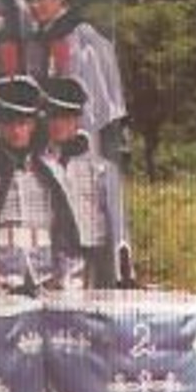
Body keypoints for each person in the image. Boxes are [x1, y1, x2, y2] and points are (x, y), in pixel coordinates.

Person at [0, 75, 84, 294]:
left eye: (22, 123)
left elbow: (63, 228)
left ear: (33, 125)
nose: (16, 131)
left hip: (45, 272)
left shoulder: (51, 171)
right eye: (8, 123)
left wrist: (67, 272)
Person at [16, 0, 128, 164]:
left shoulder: (82, 40)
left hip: (83, 147)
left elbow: (95, 108)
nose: (34, 4)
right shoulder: (35, 41)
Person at [42, 76, 133, 289]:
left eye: (65, 117)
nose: (58, 123)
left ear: (77, 119)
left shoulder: (101, 168)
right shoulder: (38, 164)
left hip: (92, 259)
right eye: (52, 116)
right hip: (50, 261)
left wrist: (123, 273)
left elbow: (118, 225)